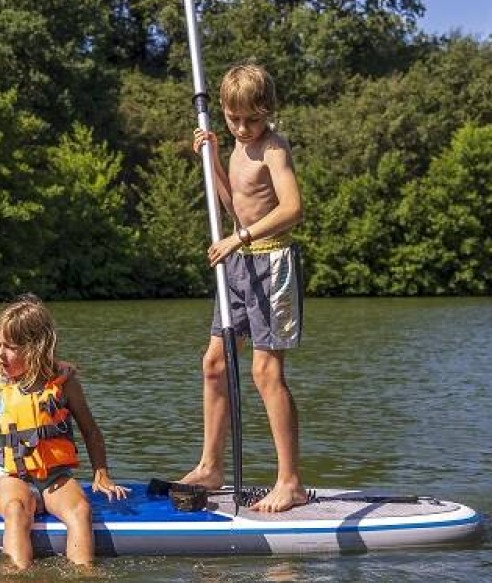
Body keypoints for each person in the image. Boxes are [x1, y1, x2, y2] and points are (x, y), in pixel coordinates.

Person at [179, 62, 309, 513]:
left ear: (267, 111)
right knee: (214, 364)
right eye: (234, 119)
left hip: (271, 262)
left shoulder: (274, 147)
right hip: (236, 264)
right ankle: (211, 466)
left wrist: (240, 238)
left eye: (252, 119)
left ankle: (289, 482)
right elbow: (235, 207)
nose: (243, 128)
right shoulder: (234, 146)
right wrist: (212, 159)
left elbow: (292, 208)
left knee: (264, 372)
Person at [0, 294, 129, 570]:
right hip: (15, 476)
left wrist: (102, 473)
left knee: (81, 511)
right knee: (16, 511)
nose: (0, 353)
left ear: (37, 347)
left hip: (56, 477)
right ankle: (17, 574)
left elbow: (91, 431)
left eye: (11, 347)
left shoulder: (64, 381)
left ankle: (83, 573)